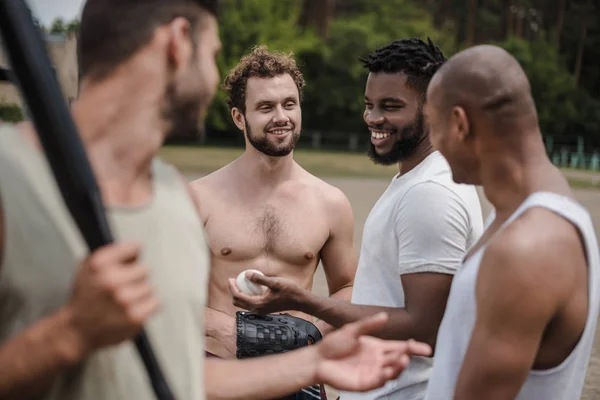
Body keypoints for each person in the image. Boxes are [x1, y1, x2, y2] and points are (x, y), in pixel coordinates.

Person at [0, 1, 433, 399]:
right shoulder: (9, 174)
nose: (212, 77)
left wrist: (312, 360)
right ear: (176, 43)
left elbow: (183, 378)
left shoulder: (165, 194)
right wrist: (70, 333)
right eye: (212, 53)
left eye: (289, 103)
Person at [230, 38, 484, 400]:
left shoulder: (430, 194)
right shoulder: (414, 181)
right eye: (369, 105)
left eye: (391, 106)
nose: (373, 118)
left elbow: (424, 328)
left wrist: (304, 302)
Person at [420, 44, 600, 399]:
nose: (434, 144)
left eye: (433, 127)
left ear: (460, 123)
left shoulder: (529, 247)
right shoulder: (526, 215)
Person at [189, 46, 356, 352]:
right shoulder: (199, 198)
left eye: (289, 104)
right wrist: (225, 330)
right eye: (266, 107)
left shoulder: (331, 203)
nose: (281, 117)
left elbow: (347, 286)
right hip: (222, 370)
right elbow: (169, 292)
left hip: (296, 371)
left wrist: (312, 332)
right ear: (240, 118)